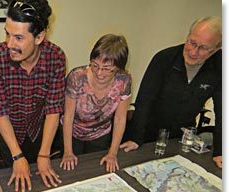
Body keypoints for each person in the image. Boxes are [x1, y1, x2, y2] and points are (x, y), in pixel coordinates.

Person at [0, 0, 66, 192]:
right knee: (14, 180)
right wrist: (17, 156)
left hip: (39, 128)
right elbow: (0, 112)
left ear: (39, 37)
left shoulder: (56, 57)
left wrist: (44, 154)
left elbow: (53, 108)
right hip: (9, 130)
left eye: (19, 38)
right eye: (7, 33)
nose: (10, 44)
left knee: (40, 179)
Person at [120, 16, 222, 169]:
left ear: (216, 50)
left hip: (179, 139)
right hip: (147, 135)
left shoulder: (220, 68)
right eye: (192, 43)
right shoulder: (164, 58)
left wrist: (220, 151)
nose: (194, 52)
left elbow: (223, 111)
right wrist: (136, 138)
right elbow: (144, 101)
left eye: (203, 48)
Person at [59, 34, 131, 173]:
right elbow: (68, 116)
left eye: (106, 68)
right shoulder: (77, 77)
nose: (99, 73)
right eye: (95, 65)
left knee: (95, 172)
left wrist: (112, 153)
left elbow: (120, 119)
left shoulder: (124, 80)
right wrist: (68, 152)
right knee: (71, 172)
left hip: (100, 135)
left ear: (118, 68)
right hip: (73, 134)